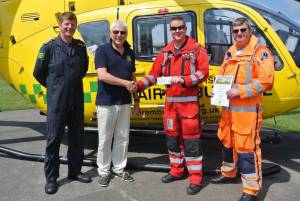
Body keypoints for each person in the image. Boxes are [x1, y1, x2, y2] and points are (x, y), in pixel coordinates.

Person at [132, 16, 209, 195]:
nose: (177, 31)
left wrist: (184, 80)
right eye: (174, 28)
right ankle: (176, 171)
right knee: (172, 140)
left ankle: (196, 179)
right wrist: (139, 85)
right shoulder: (164, 53)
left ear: (185, 28)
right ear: (170, 30)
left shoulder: (197, 50)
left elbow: (203, 73)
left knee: (191, 143)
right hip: (170, 107)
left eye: (180, 28)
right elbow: (154, 75)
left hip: (189, 105)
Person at [211, 17, 274, 201]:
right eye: (236, 30)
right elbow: (222, 73)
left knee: (247, 149)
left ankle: (251, 190)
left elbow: (266, 81)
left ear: (250, 30)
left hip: (247, 111)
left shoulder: (259, 51)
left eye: (242, 30)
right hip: (229, 110)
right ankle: (228, 173)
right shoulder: (231, 51)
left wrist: (239, 91)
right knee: (227, 142)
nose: (239, 34)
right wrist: (218, 88)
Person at [33, 12, 91, 194]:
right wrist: (55, 87)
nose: (69, 27)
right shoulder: (48, 48)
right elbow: (38, 73)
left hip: (76, 101)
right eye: (66, 24)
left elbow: (82, 70)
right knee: (53, 141)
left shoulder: (81, 47)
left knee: (77, 139)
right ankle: (51, 179)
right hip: (57, 103)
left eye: (72, 24)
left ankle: (75, 171)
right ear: (60, 25)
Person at [95, 20, 139, 187]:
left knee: (122, 137)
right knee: (105, 138)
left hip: (125, 102)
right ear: (110, 34)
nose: (119, 35)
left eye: (122, 32)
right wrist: (125, 83)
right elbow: (102, 75)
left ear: (126, 34)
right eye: (116, 32)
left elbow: (133, 77)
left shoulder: (129, 52)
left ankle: (119, 169)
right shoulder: (102, 50)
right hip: (107, 103)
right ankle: (104, 171)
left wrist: (137, 100)